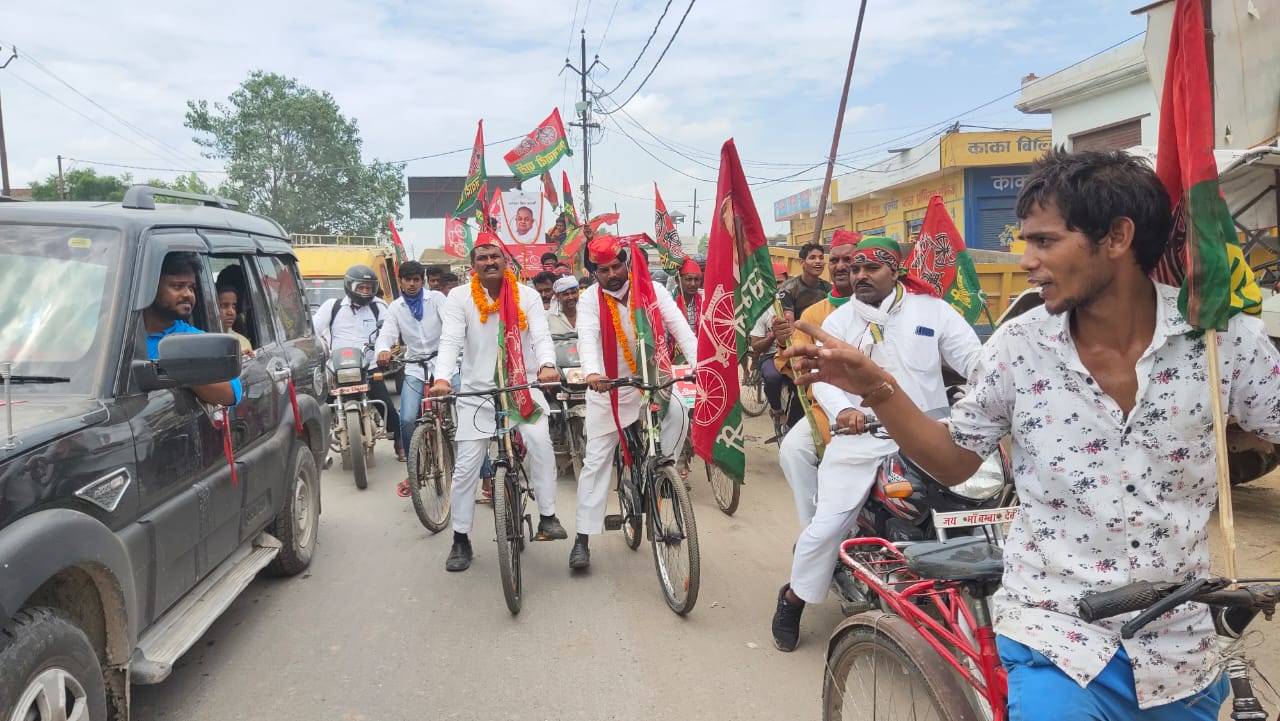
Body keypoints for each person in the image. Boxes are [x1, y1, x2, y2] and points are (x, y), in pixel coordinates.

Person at [782, 150, 1280, 720]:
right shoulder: (1019, 347)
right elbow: (955, 460)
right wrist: (879, 392)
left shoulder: (1219, 343)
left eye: (1045, 242)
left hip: (1182, 646)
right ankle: (797, 595)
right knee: (826, 516)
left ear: (1117, 237)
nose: (1026, 261)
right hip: (1056, 634)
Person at [770, 234, 982, 653]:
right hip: (862, 438)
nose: (860, 274)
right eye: (857, 267)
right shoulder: (837, 322)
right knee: (828, 526)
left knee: (980, 517)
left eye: (873, 267)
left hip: (930, 440)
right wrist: (842, 412)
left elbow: (977, 363)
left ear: (897, 269)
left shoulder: (933, 311)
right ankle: (793, 598)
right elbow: (823, 382)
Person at [430, 236, 568, 572]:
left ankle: (547, 516)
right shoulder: (460, 298)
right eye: (482, 258)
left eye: (495, 256)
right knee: (465, 469)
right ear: (472, 264)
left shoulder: (528, 295)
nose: (490, 262)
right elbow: (449, 340)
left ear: (506, 260)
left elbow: (540, 336)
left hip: (522, 387)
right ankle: (460, 539)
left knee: (539, 442)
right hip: (477, 393)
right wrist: (442, 377)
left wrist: (548, 364)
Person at [571, 235, 698, 569]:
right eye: (603, 269)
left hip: (653, 378)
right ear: (594, 272)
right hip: (608, 387)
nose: (612, 274)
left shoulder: (652, 291)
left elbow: (681, 329)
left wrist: (701, 364)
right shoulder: (588, 300)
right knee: (596, 461)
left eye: (617, 266)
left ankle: (660, 472)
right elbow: (587, 338)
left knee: (681, 413)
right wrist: (593, 373)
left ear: (627, 263)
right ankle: (582, 538)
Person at [768, 231, 879, 524]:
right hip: (826, 411)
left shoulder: (884, 308)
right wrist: (782, 342)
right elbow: (796, 364)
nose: (842, 267)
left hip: (884, 408)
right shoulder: (816, 313)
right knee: (792, 451)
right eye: (836, 260)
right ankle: (814, 529)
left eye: (850, 261)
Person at [313, 264, 402, 460]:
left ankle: (399, 442)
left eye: (368, 288)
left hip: (367, 367)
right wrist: (320, 349)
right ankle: (318, 450)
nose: (365, 291)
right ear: (349, 286)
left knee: (386, 405)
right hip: (336, 368)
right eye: (361, 287)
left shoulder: (379, 306)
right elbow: (314, 331)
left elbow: (387, 332)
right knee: (321, 409)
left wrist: (384, 350)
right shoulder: (332, 306)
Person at [375, 261, 447, 489]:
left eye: (417, 279)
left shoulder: (436, 300)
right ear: (401, 281)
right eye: (408, 280)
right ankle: (413, 472)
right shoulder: (395, 308)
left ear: (422, 280)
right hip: (415, 367)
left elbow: (452, 325)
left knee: (468, 411)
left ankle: (485, 475)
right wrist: (384, 349)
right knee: (406, 419)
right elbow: (386, 334)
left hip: (444, 364)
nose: (413, 284)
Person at [144, 252, 241, 407]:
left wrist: (179, 368)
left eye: (191, 287)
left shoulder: (191, 338)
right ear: (150, 288)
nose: (188, 294)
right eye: (178, 286)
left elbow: (232, 392)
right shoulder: (115, 336)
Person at [779, 243, 831, 322]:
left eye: (821, 258)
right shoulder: (788, 289)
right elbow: (789, 324)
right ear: (802, 262)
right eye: (812, 258)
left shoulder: (829, 288)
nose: (818, 261)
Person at [215, 283, 254, 356]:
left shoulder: (242, 342)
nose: (231, 312)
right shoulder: (202, 339)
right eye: (224, 306)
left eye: (233, 306)